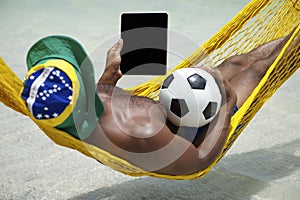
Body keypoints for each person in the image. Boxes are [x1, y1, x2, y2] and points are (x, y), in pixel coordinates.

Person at [21, 31, 297, 176]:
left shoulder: (84, 105)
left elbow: (100, 95)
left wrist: (110, 73)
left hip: (179, 105)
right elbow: (198, 161)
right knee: (256, 71)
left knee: (236, 62)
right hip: (201, 131)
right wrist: (227, 103)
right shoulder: (136, 133)